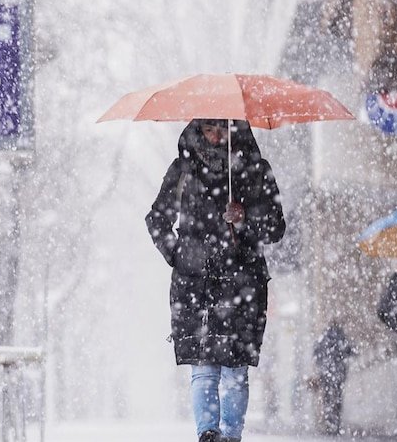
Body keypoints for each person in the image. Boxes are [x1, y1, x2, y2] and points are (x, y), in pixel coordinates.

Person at [146, 119, 286, 442]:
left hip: (243, 283)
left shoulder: (254, 170)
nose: (217, 136)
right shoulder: (183, 170)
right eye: (209, 129)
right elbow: (157, 218)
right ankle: (207, 434)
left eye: (223, 129)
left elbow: (276, 227)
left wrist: (246, 218)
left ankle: (231, 435)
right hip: (197, 285)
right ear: (198, 130)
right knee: (204, 367)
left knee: (236, 371)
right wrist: (180, 255)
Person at [311, 320, 354, 435]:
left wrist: (320, 365)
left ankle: (329, 420)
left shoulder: (324, 337)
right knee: (338, 397)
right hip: (339, 372)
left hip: (326, 372)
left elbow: (316, 353)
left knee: (327, 397)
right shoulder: (341, 337)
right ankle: (336, 422)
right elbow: (349, 351)